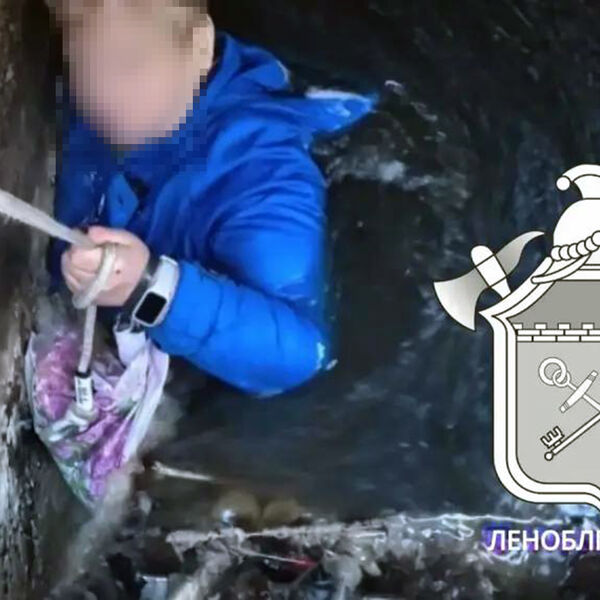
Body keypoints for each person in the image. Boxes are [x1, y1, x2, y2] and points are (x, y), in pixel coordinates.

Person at [47, 0, 375, 396]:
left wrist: (152, 289)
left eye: (130, 64)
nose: (104, 96)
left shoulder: (259, 171)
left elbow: (301, 352)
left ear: (201, 46)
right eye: (82, 63)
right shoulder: (119, 102)